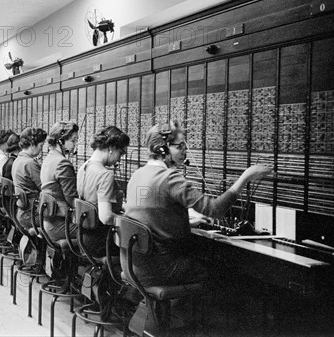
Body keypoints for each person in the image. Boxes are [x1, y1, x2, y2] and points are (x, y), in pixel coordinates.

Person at [124, 121, 272, 287]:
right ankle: (183, 311)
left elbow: (151, 214)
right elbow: (215, 210)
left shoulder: (137, 175)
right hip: (161, 268)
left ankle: (164, 310)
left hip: (134, 265)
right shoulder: (170, 178)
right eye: (180, 146)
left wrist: (186, 222)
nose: (184, 151)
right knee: (222, 271)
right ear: (163, 149)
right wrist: (246, 177)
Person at [76, 126, 129, 257]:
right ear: (112, 148)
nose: (119, 159)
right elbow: (105, 217)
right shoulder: (105, 175)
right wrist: (127, 219)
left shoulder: (84, 167)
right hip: (102, 241)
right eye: (121, 153)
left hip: (84, 237)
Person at [40, 121, 80, 242]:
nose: (75, 144)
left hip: (48, 222)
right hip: (60, 226)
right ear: (60, 141)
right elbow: (72, 199)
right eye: (73, 140)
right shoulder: (62, 163)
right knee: (97, 233)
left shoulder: (48, 159)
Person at [12, 128, 47, 230]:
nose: (41, 149)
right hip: (32, 214)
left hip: (22, 212)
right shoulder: (30, 163)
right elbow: (44, 188)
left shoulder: (17, 160)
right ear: (32, 144)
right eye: (41, 145)